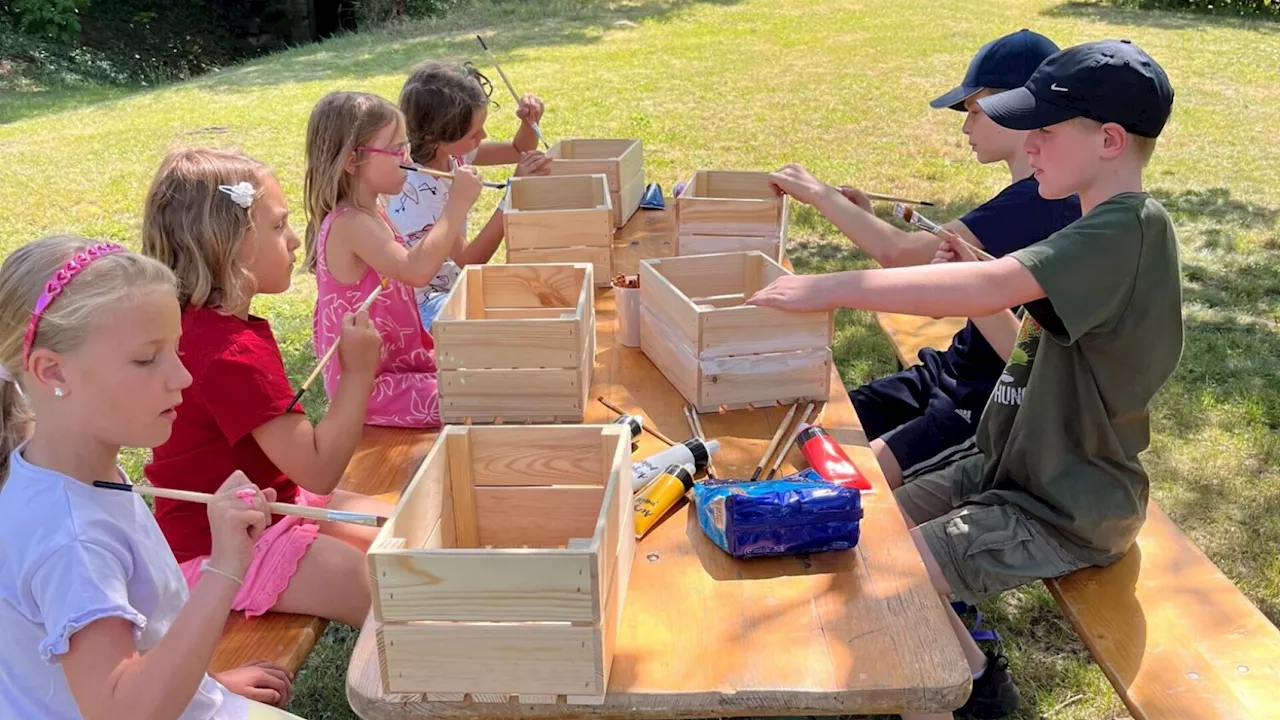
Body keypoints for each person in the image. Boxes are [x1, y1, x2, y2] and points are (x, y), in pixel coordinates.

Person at [749, 40, 1180, 719]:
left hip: (1065, 506)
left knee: (903, 578)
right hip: (1007, 467)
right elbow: (1026, 348)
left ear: (1110, 140)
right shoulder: (1097, 229)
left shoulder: (1127, 229)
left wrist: (825, 288)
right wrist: (992, 293)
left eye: (1043, 129)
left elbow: (988, 286)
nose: (1029, 145)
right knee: (873, 531)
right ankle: (933, 667)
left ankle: (974, 691)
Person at [0, 236, 303, 719]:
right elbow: (122, 710)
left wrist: (202, 685)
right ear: (53, 372)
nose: (182, 377)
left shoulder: (64, 474)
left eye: (176, 351)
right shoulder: (72, 538)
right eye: (147, 359)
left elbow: (108, 660)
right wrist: (225, 566)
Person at [767, 29, 1081, 490]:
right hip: (952, 370)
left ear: (1020, 110)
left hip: (989, 399)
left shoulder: (1041, 201)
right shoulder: (1030, 192)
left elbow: (899, 256)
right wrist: (861, 217)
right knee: (817, 428)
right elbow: (917, 260)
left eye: (975, 111)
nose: (965, 127)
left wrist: (818, 195)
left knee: (849, 484)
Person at [142, 148, 388, 628]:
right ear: (227, 245)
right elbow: (318, 468)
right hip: (224, 546)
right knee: (387, 594)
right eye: (278, 227)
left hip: (268, 505)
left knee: (401, 537)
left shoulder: (204, 325)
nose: (296, 240)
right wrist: (357, 374)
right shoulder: (227, 353)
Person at [304, 90, 482, 427]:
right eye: (396, 150)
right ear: (353, 160)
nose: (409, 159)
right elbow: (415, 270)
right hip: (367, 388)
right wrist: (456, 204)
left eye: (407, 147)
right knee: (477, 401)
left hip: (402, 368)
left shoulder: (373, 211)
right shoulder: (349, 224)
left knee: (489, 370)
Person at [388, 60, 552, 329]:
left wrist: (529, 123)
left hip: (452, 289)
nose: (484, 136)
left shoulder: (450, 153)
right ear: (434, 138)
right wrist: (512, 196)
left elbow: (516, 150)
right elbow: (470, 260)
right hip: (424, 308)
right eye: (474, 133)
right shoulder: (413, 190)